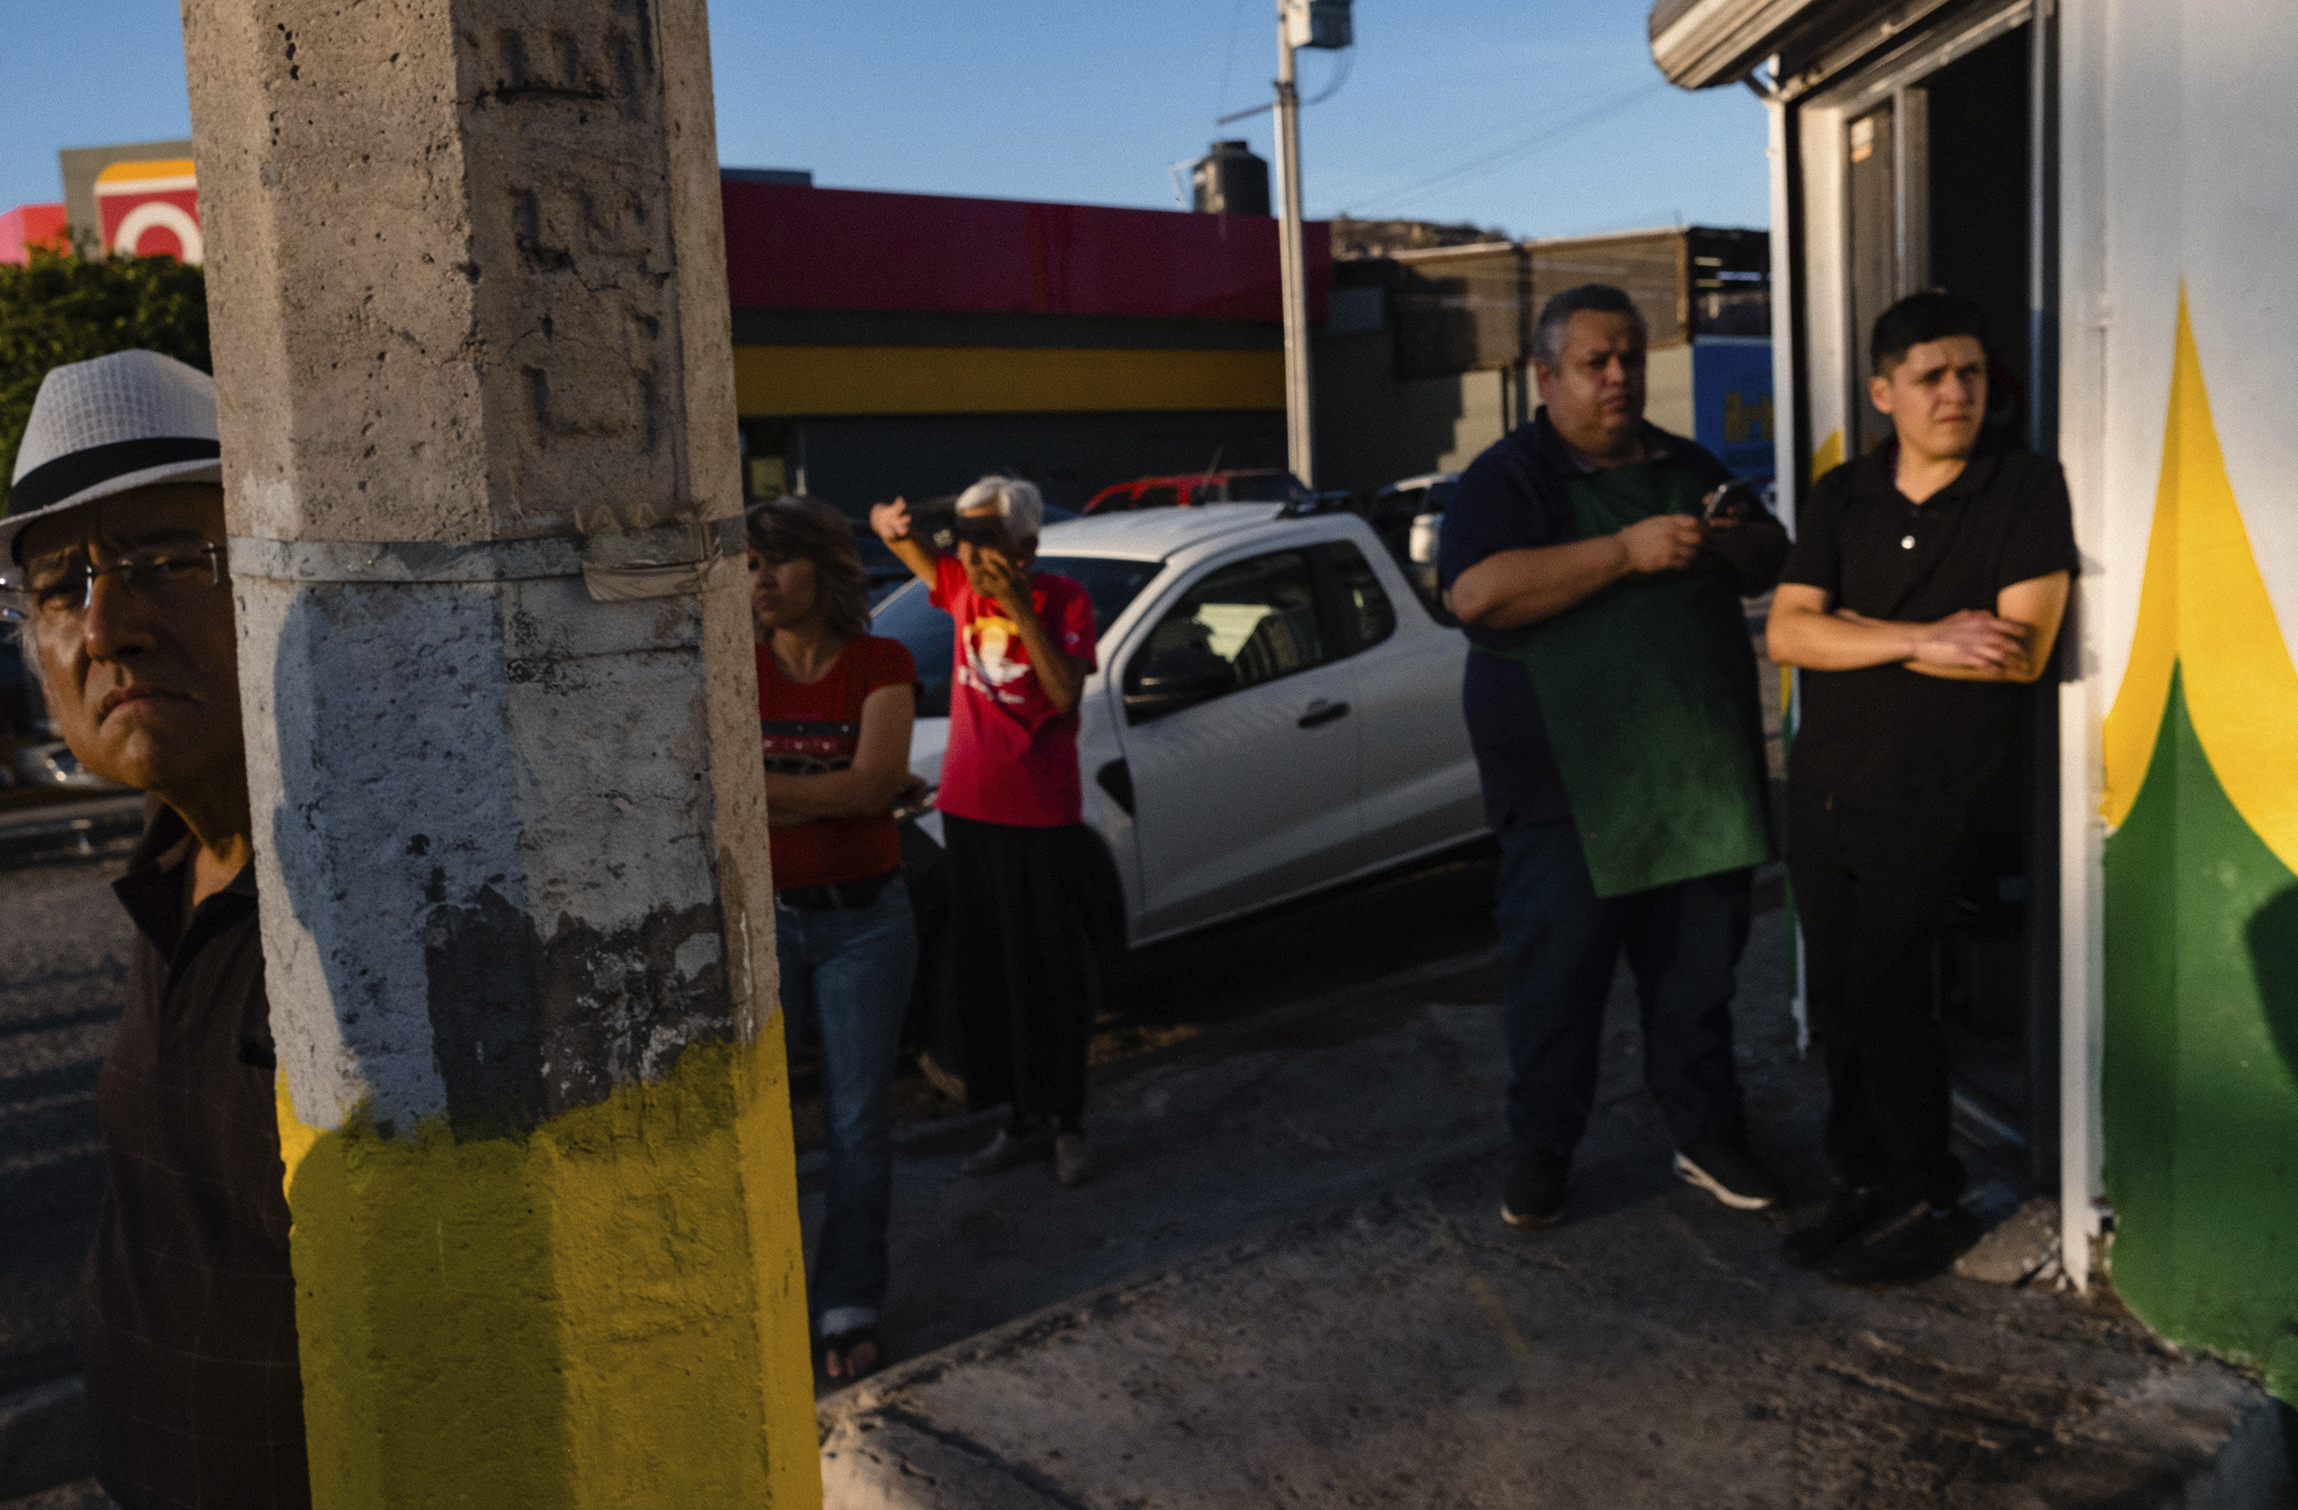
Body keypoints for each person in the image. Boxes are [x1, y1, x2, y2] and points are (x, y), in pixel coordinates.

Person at [0, 351, 310, 1507]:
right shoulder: (169, 859)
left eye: (170, 560)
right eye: (55, 585)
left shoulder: (372, 898)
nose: (109, 626)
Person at [1437, 284, 1792, 1232]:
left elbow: (1772, 558)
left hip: (1697, 780)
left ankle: (1707, 1132)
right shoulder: (1507, 479)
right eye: (1595, 362)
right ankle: (1544, 1149)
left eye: (1630, 358)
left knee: (1698, 983)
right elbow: (1476, 594)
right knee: (1557, 992)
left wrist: (1732, 541)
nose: (1619, 377)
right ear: (1546, 377)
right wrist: (1625, 551)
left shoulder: (1687, 462)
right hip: (1566, 793)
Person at [1766, 291, 2074, 1285]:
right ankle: (1863, 1180)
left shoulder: (2023, 489)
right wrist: (1926, 635)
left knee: (1895, 995)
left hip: (1932, 796)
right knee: (1848, 1001)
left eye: (1972, 374)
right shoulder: (1842, 496)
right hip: (1822, 793)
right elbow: (1786, 632)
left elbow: (2017, 655)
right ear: (1883, 391)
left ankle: (1933, 1190)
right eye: (1933, 375)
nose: (1957, 392)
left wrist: (1856, 636)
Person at [867, 476, 1101, 1187]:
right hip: (970, 810)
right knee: (991, 975)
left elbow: (1065, 695)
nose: (968, 553)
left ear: (1026, 546)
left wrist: (1019, 611)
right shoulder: (959, 586)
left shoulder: (1064, 600)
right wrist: (888, 519)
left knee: (1050, 974)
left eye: (985, 539)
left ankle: (1068, 1123)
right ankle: (1015, 1119)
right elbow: (902, 541)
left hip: (1040, 817)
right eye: (964, 539)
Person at [749, 495, 922, 1384]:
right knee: (759, 1123)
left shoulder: (880, 660)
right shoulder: (737, 668)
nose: (760, 581)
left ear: (824, 566)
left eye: (777, 561)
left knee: (856, 1123)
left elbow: (874, 786)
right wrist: (842, 786)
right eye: (748, 565)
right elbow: (849, 786)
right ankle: (770, 1296)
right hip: (766, 925)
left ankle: (847, 1298)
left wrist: (766, 788)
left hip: (865, 926)